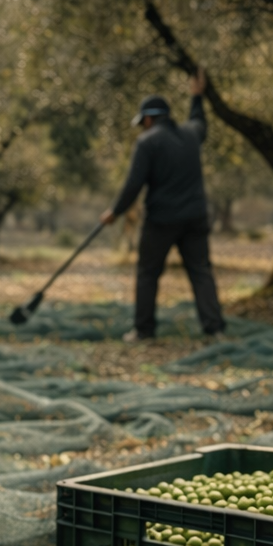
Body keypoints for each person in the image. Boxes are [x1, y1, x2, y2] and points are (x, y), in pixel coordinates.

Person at [100, 68, 225, 342]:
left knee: (148, 273)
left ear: (148, 119)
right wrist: (196, 97)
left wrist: (114, 212)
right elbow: (199, 121)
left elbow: (134, 185)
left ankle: (144, 330)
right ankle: (214, 328)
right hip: (195, 217)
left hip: (162, 220)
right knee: (201, 271)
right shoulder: (191, 135)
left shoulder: (147, 142)